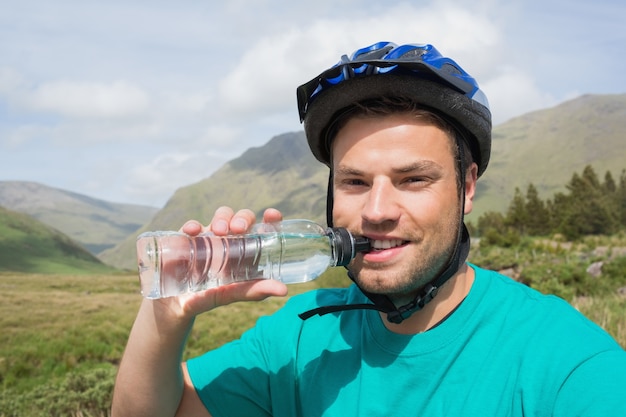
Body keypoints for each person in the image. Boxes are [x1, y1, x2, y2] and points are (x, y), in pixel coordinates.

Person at [111, 42, 626, 416]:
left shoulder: (570, 365)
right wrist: (167, 312)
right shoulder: (301, 330)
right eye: (355, 181)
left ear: (467, 187)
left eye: (414, 179)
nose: (377, 210)